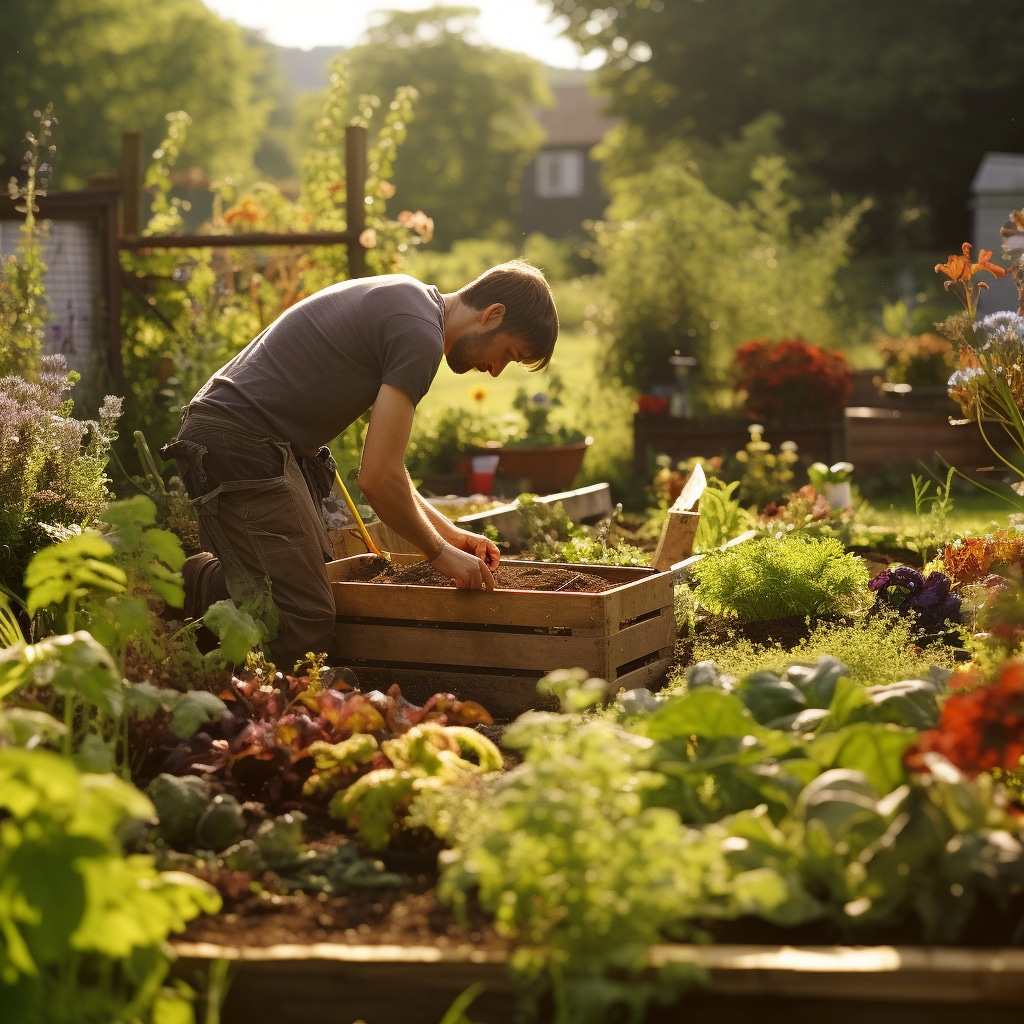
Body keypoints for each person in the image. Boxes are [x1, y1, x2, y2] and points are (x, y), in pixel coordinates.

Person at [160, 259, 558, 668]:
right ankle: (256, 704)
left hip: (248, 437)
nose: (495, 371)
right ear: (492, 315)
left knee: (307, 589)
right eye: (509, 353)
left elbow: (390, 469)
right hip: (239, 439)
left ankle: (185, 589)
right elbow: (377, 479)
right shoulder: (419, 333)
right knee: (304, 617)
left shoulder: (413, 304)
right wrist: (440, 554)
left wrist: (451, 534)